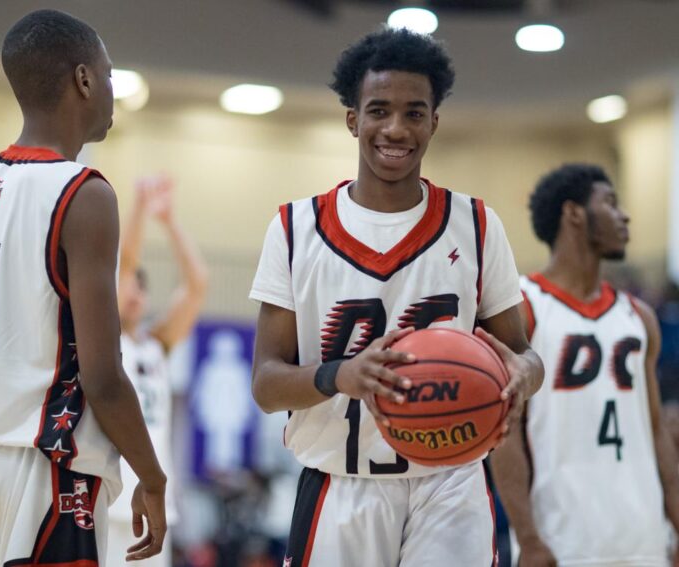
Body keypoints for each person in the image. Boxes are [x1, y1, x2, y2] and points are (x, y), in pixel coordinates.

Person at [249, 28, 544, 567]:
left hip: (452, 482)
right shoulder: (296, 228)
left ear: (434, 122)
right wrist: (340, 375)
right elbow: (267, 386)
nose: (395, 128)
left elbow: (524, 356)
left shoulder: (476, 225)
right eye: (379, 110)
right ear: (352, 119)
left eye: (414, 113)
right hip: (341, 483)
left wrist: (524, 374)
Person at [0, 10, 167, 566]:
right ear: (83, 80)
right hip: (48, 464)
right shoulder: (85, 193)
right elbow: (102, 375)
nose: (112, 89)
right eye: (109, 74)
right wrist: (152, 473)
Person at [491, 164, 679, 567]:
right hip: (561, 540)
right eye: (611, 203)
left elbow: (656, 429)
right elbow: (503, 435)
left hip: (643, 535)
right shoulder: (521, 308)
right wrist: (528, 538)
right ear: (574, 213)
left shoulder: (639, 316)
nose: (625, 215)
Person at [108, 175, 208, 566]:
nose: (134, 292)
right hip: (111, 495)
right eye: (128, 284)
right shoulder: (107, 340)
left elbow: (197, 284)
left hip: (151, 500)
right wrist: (137, 208)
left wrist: (169, 222)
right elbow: (127, 260)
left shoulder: (156, 345)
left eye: (140, 287)